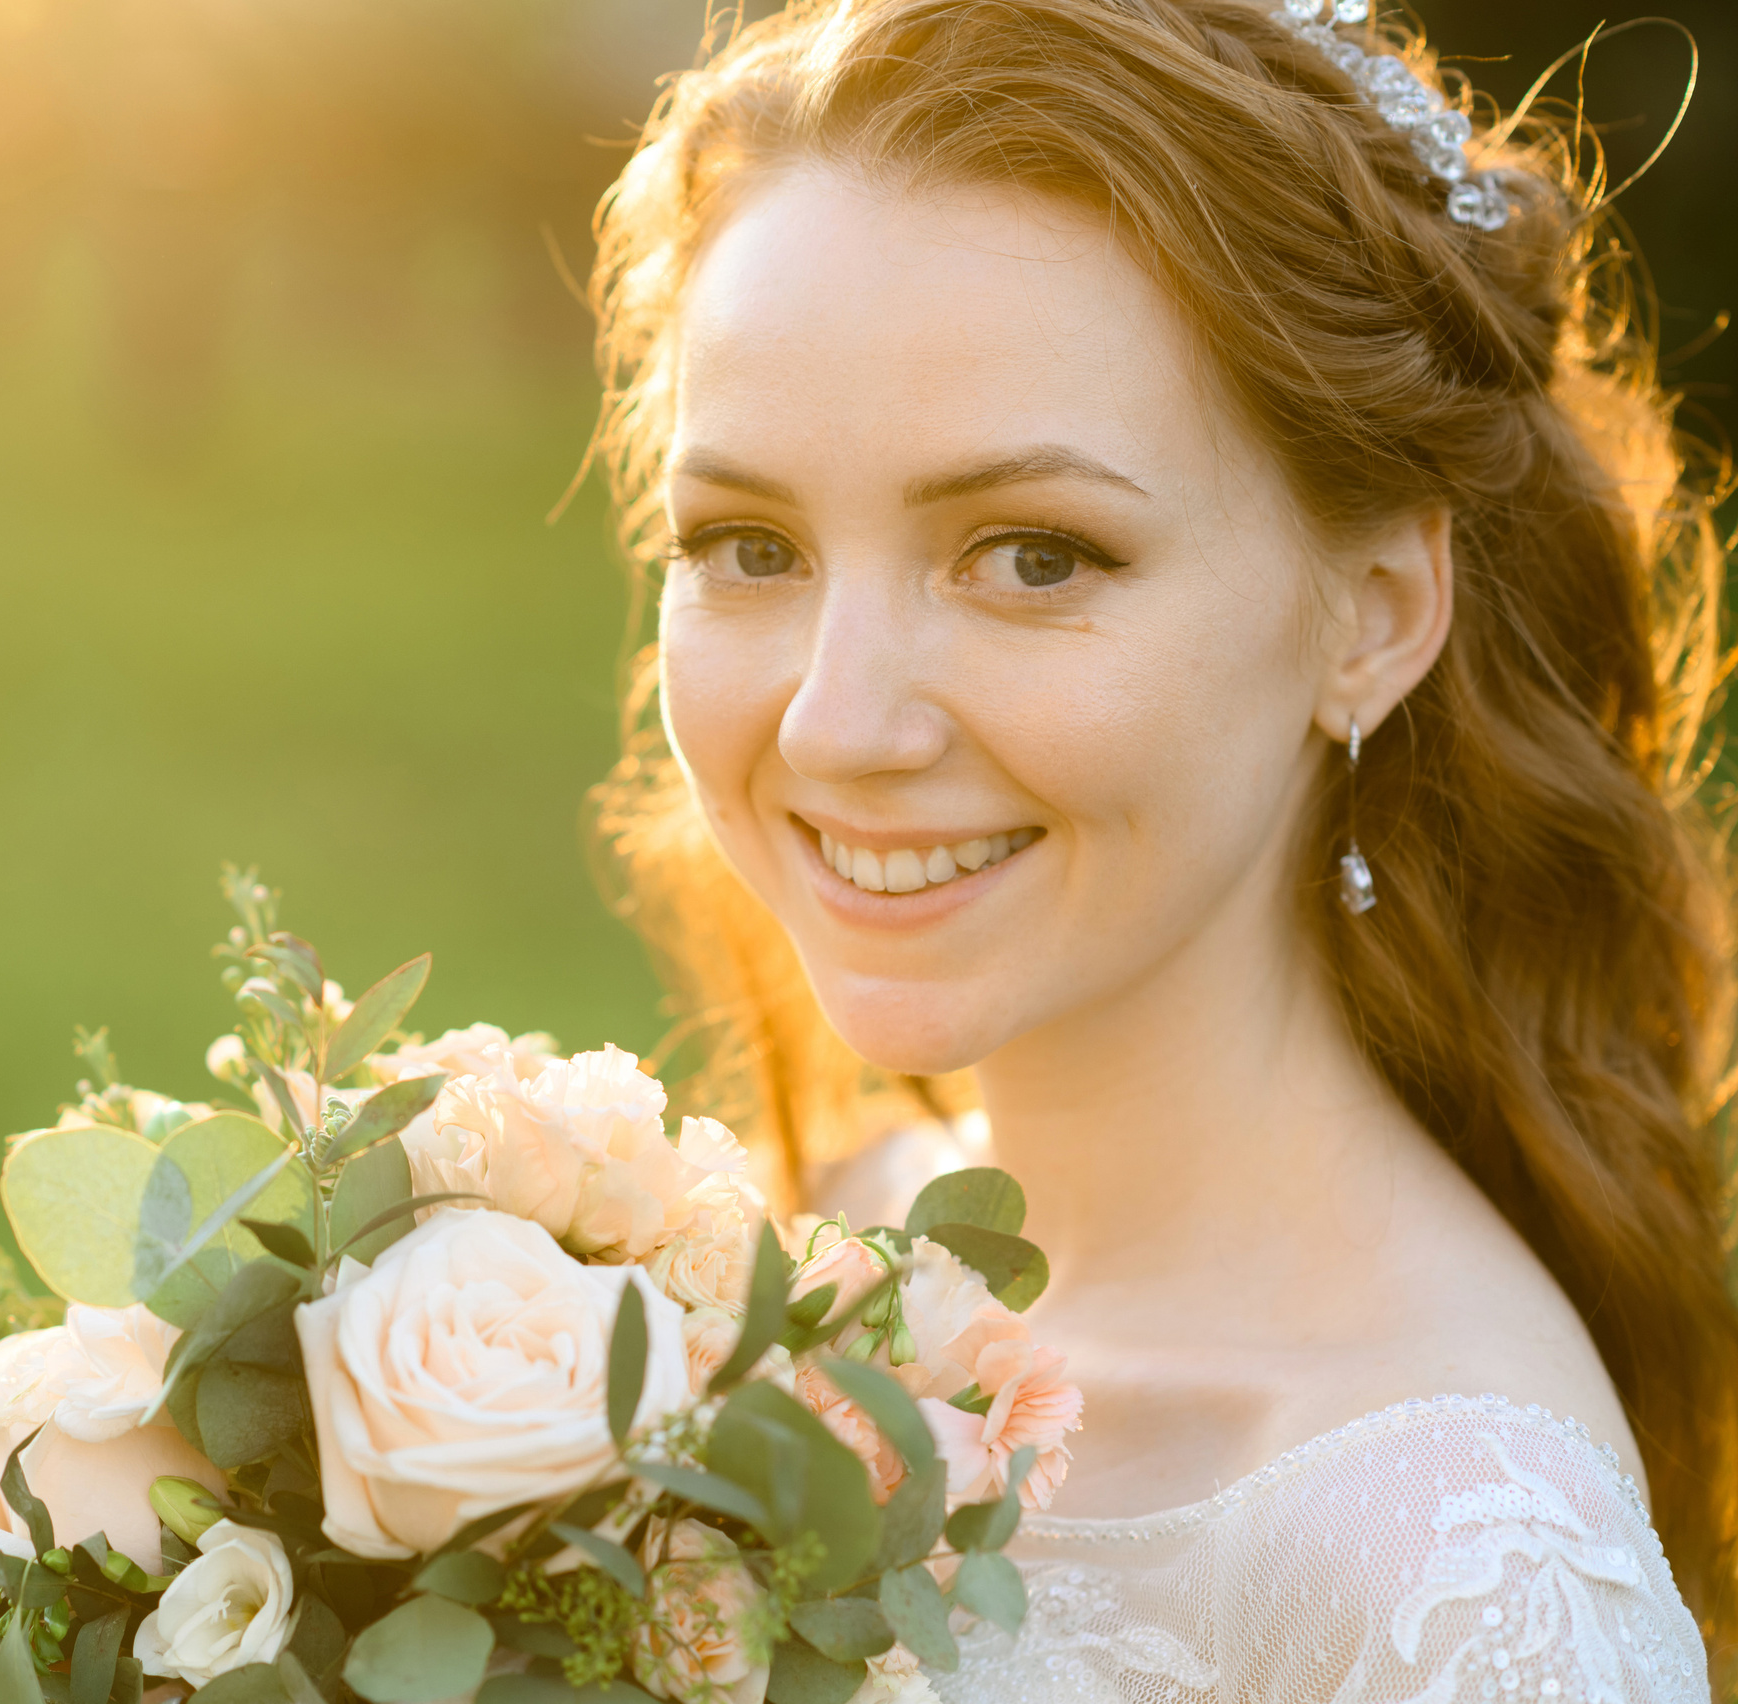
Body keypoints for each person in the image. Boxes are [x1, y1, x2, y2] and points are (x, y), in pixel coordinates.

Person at [582, 0, 1735, 1697]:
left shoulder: (1452, 1579)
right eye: (750, 544)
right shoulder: (791, 1255)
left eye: (1034, 556)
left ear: (1374, 613)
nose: (836, 724)